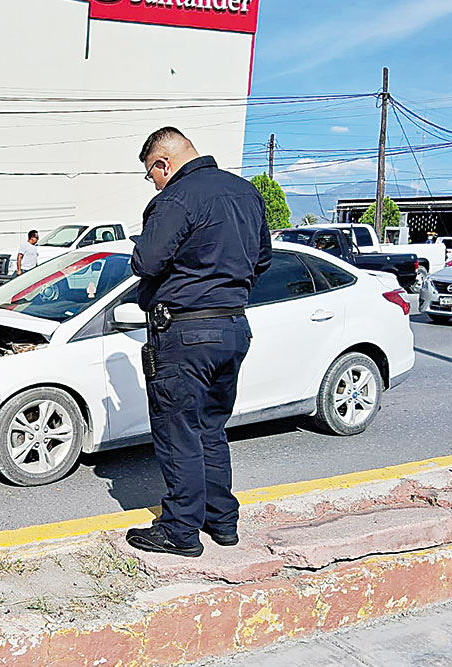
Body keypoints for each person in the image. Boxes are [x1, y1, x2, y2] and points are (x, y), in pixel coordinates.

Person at [126, 127, 271, 558]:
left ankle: (180, 531)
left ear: (163, 163)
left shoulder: (177, 197)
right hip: (232, 327)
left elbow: (145, 261)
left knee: (179, 432)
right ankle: (222, 522)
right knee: (210, 428)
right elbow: (262, 259)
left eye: (151, 174)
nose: (153, 183)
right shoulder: (246, 194)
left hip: (185, 333)